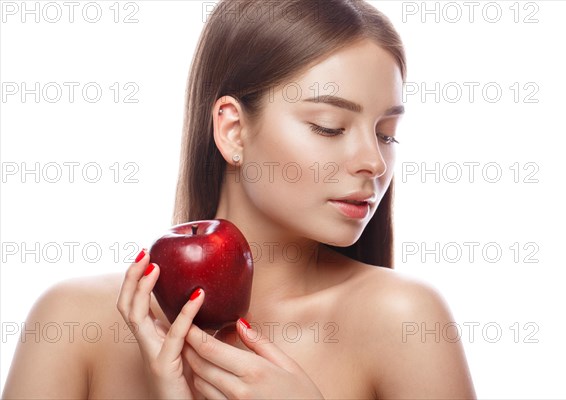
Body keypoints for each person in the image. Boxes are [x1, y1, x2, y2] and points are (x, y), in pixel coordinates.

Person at [2, 0, 477, 398]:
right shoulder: (72, 322)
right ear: (232, 130)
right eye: (329, 127)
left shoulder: (403, 321)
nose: (373, 162)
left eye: (387, 134)